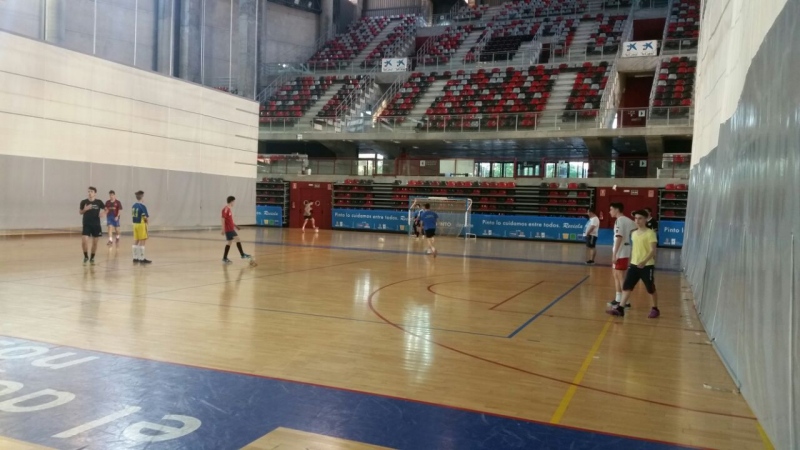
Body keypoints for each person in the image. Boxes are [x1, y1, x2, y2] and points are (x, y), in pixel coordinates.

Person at [607, 210, 660, 318]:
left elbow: (652, 251)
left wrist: (644, 261)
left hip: (647, 265)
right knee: (627, 286)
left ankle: (655, 308)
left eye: (640, 218)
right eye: (635, 218)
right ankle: (620, 309)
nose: (637, 221)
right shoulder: (634, 234)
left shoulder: (650, 233)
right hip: (634, 265)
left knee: (650, 288)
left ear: (645, 219)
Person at [608, 202, 636, 309]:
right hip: (623, 250)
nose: (609, 211)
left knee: (621, 276)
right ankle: (618, 299)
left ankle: (626, 301)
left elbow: (619, 237)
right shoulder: (628, 220)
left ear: (617, 210)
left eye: (611, 209)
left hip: (621, 252)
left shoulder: (620, 221)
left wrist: (615, 254)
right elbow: (636, 229)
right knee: (616, 275)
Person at [79, 186, 106, 265]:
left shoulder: (99, 202)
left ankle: (92, 257)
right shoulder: (84, 202)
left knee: (95, 242)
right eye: (88, 191)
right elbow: (80, 212)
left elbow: (106, 209)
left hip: (96, 225)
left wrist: (104, 213)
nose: (89, 193)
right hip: (86, 224)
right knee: (84, 241)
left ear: (95, 193)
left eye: (91, 192)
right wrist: (85, 209)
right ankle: (86, 256)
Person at [221, 196, 251, 264]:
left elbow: (229, 221)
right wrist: (223, 229)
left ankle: (224, 258)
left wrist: (236, 226)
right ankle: (242, 255)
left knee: (229, 242)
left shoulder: (229, 209)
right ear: (231, 201)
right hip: (229, 229)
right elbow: (223, 218)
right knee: (238, 239)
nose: (234, 203)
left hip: (230, 228)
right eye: (234, 201)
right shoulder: (226, 209)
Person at [131, 191, 152, 264]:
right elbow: (145, 217)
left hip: (135, 224)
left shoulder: (133, 205)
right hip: (141, 224)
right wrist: (147, 224)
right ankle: (142, 258)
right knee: (142, 240)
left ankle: (135, 257)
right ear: (142, 197)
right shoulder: (142, 206)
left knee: (136, 240)